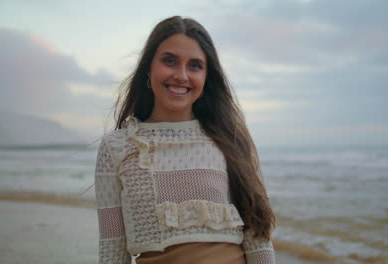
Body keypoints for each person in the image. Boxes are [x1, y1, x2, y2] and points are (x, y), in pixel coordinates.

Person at [94, 15, 276, 264]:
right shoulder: (116, 147)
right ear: (148, 67)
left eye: (195, 66)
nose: (181, 75)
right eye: (169, 61)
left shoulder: (231, 141)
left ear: (206, 76)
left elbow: (258, 240)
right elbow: (112, 251)